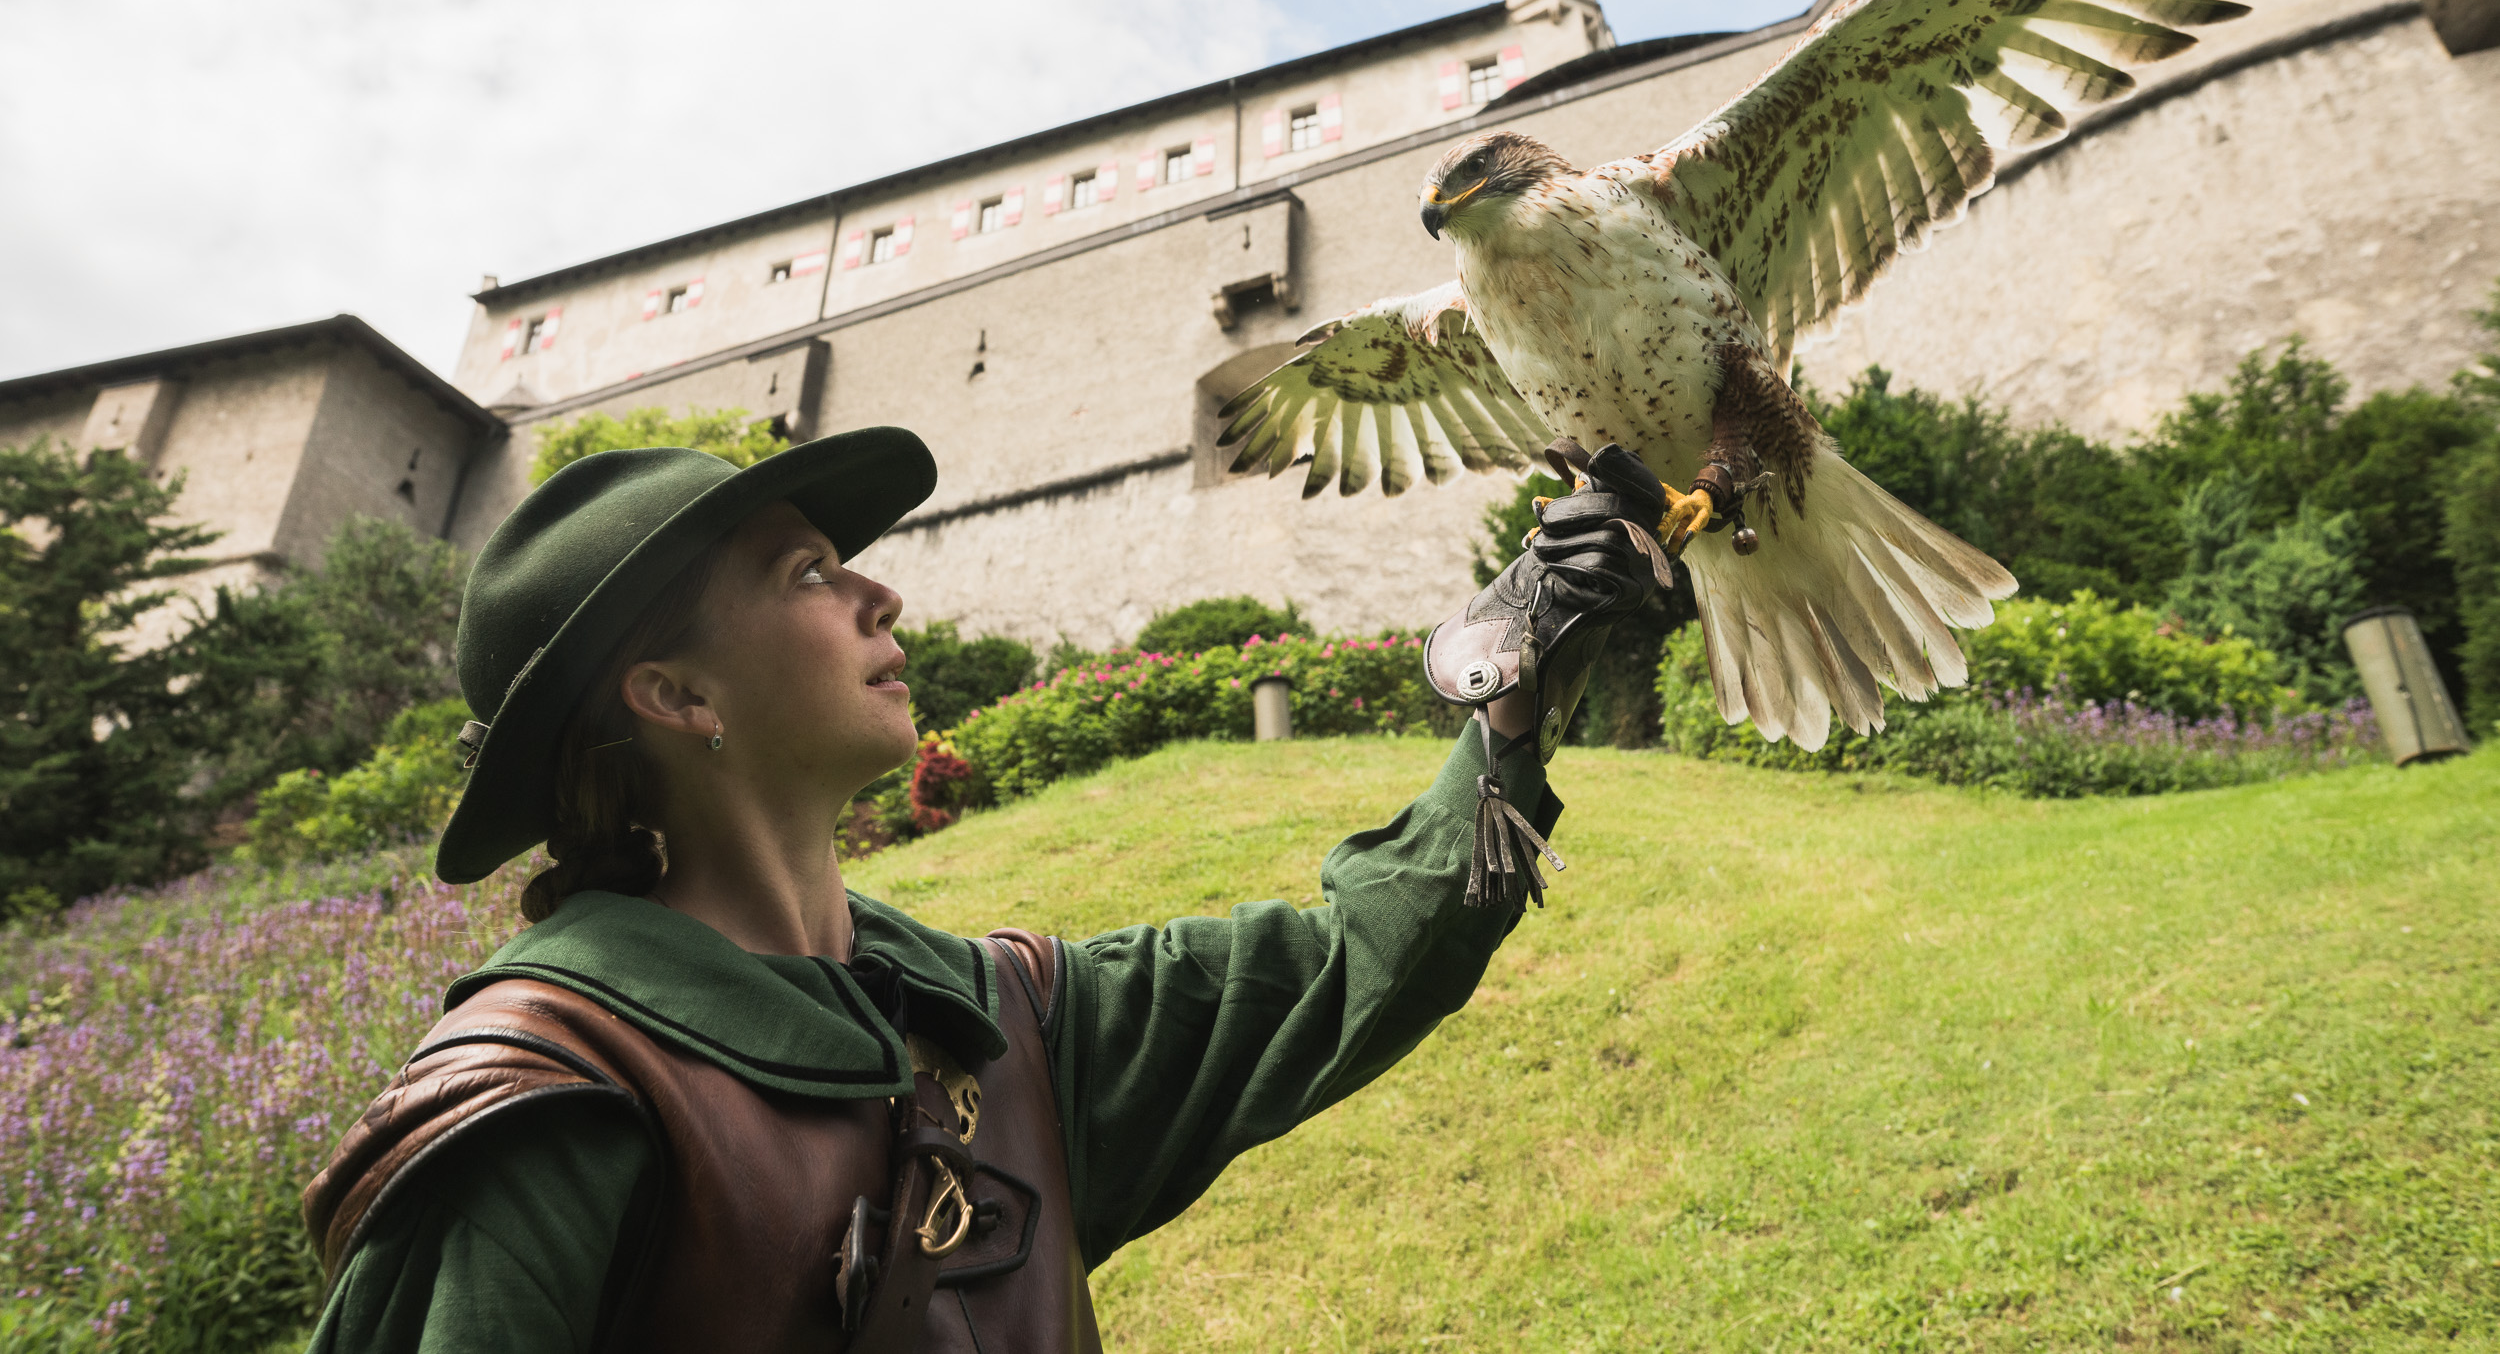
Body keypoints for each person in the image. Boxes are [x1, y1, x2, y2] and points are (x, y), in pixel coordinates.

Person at [301, 424, 1665, 1353]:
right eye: (808, 574)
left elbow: (1350, 963)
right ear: (675, 693)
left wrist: (1514, 680)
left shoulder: (997, 1020)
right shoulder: (547, 1101)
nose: (881, 593)